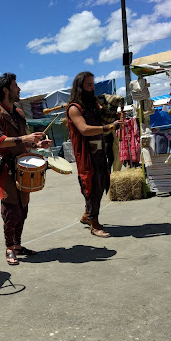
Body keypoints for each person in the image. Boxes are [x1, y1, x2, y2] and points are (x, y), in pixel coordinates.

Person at [0, 72, 51, 265]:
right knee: (10, 211)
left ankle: (17, 244)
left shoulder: (19, 113)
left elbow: (23, 143)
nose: (19, 88)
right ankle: (9, 248)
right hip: (6, 168)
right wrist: (25, 139)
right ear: (6, 90)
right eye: (16, 85)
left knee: (23, 209)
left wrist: (38, 145)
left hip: (22, 166)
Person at [66, 71, 121, 238]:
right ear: (80, 86)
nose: (92, 88)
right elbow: (84, 129)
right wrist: (109, 127)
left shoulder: (93, 106)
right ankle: (94, 223)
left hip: (99, 151)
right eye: (89, 85)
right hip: (85, 154)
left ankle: (87, 215)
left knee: (100, 181)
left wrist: (112, 113)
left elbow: (104, 118)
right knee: (91, 185)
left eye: (93, 85)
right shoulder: (75, 108)